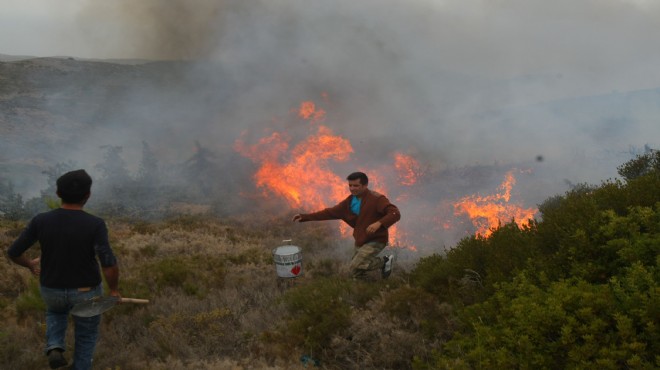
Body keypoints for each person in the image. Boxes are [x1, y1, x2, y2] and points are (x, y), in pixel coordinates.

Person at [7, 169, 120, 370]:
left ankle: (55, 346)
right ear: (88, 195)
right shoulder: (95, 224)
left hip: (52, 289)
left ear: (58, 194)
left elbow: (14, 252)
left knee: (55, 313)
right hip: (86, 291)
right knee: (86, 336)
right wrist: (113, 291)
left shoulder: (41, 220)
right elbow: (108, 262)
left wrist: (30, 264)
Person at [292, 171, 401, 280]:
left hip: (376, 239)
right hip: (361, 238)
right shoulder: (349, 201)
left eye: (356, 185)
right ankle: (366, 288)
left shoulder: (377, 199)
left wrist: (379, 223)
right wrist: (305, 217)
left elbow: (395, 213)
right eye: (350, 185)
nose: (352, 188)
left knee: (356, 265)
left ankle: (384, 262)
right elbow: (329, 212)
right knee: (355, 272)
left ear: (365, 185)